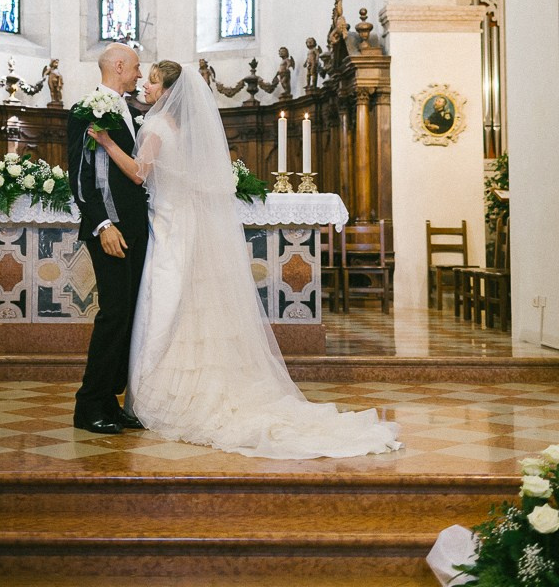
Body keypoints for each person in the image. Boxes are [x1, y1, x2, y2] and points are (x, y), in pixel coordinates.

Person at [89, 61, 401, 460]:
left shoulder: (155, 127)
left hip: (168, 228)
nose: (145, 87)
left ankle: (164, 394)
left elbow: (139, 173)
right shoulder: (183, 129)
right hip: (182, 223)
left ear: (167, 90)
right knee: (189, 307)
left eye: (151, 81)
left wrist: (107, 143)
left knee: (166, 306)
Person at [67, 43, 148, 435]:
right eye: (135, 67)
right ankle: (89, 404)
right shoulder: (87, 109)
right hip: (111, 229)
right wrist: (102, 225)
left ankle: (111, 403)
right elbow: (80, 178)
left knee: (129, 313)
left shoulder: (129, 110)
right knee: (113, 314)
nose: (139, 74)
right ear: (119, 65)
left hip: (135, 227)